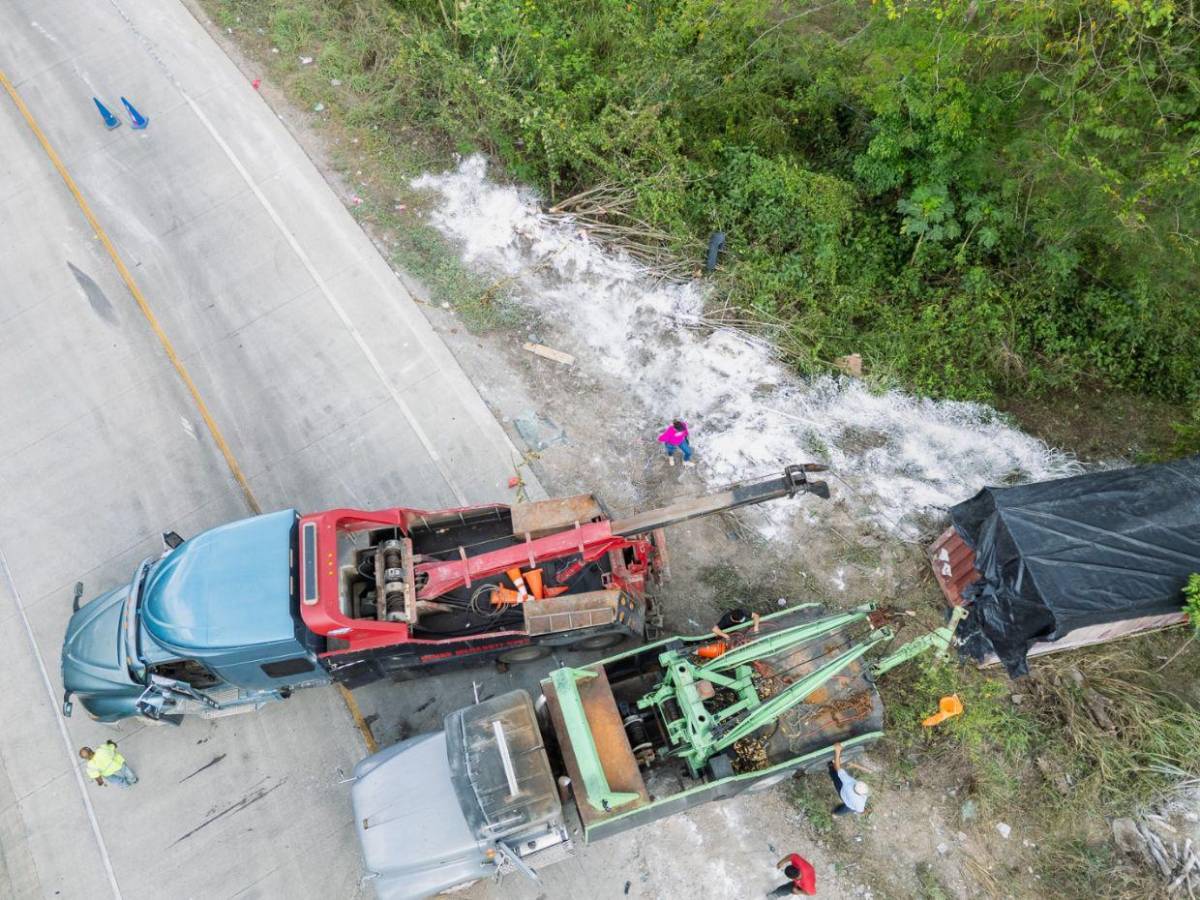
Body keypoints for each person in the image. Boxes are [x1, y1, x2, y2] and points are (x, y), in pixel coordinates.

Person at [828, 742, 868, 815]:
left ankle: (830, 766)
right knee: (847, 809)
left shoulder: (847, 785)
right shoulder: (862, 799)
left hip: (843, 792)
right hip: (852, 805)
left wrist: (838, 751)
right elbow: (861, 811)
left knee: (835, 777)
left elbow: (838, 768)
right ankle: (835, 813)